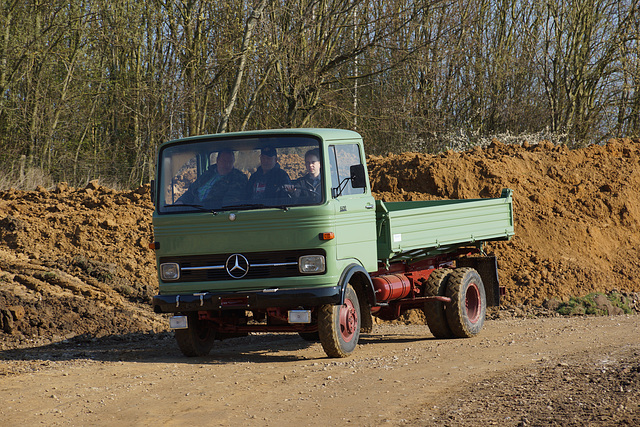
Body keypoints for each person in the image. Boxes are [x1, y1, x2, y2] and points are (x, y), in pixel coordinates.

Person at [177, 150, 247, 207]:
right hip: (193, 210)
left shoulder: (238, 178)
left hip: (213, 214)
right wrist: (181, 201)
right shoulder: (207, 174)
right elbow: (191, 191)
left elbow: (230, 201)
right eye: (224, 161)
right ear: (217, 161)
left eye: (230, 162)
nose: (227, 165)